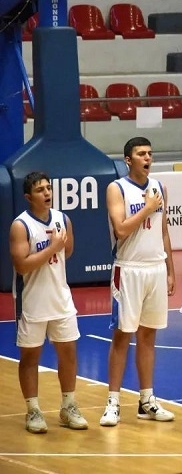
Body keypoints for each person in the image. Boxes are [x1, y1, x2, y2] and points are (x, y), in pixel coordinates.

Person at [101, 137, 175, 426]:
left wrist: (170, 269)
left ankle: (147, 400)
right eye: (141, 154)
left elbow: (164, 231)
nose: (147, 158)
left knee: (148, 337)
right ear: (128, 160)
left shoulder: (160, 188)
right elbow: (120, 229)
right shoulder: (117, 188)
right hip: (128, 269)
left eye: (150, 153)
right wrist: (147, 208)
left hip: (155, 268)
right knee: (122, 335)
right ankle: (113, 402)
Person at [10, 172, 88, 434]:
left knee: (68, 352)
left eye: (48, 188)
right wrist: (52, 248)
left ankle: (68, 406)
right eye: (40, 189)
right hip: (32, 300)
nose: (46, 193)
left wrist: (55, 249)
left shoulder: (63, 219)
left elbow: (68, 251)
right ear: (28, 197)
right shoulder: (20, 226)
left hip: (60, 297)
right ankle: (33, 410)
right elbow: (22, 266)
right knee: (30, 357)